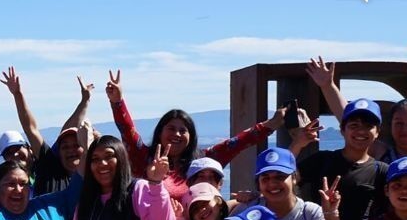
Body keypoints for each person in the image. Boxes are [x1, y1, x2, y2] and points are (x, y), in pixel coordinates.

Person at [307, 58, 407, 213]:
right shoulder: (384, 153)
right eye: (398, 123)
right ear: (390, 126)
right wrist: (327, 86)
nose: (405, 128)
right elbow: (348, 118)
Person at [104, 69, 286, 200]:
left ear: (191, 137)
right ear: (160, 132)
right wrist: (118, 102)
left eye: (183, 130)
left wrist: (271, 125)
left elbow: (237, 143)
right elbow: (127, 132)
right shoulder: (143, 158)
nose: (177, 134)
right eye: (171, 128)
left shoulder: (202, 162)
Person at [0, 67, 94, 193]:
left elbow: (67, 128)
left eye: (75, 145)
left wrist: (85, 101)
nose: (70, 150)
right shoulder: (51, 169)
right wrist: (18, 95)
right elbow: (30, 128)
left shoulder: (95, 178)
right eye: (65, 147)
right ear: (58, 152)